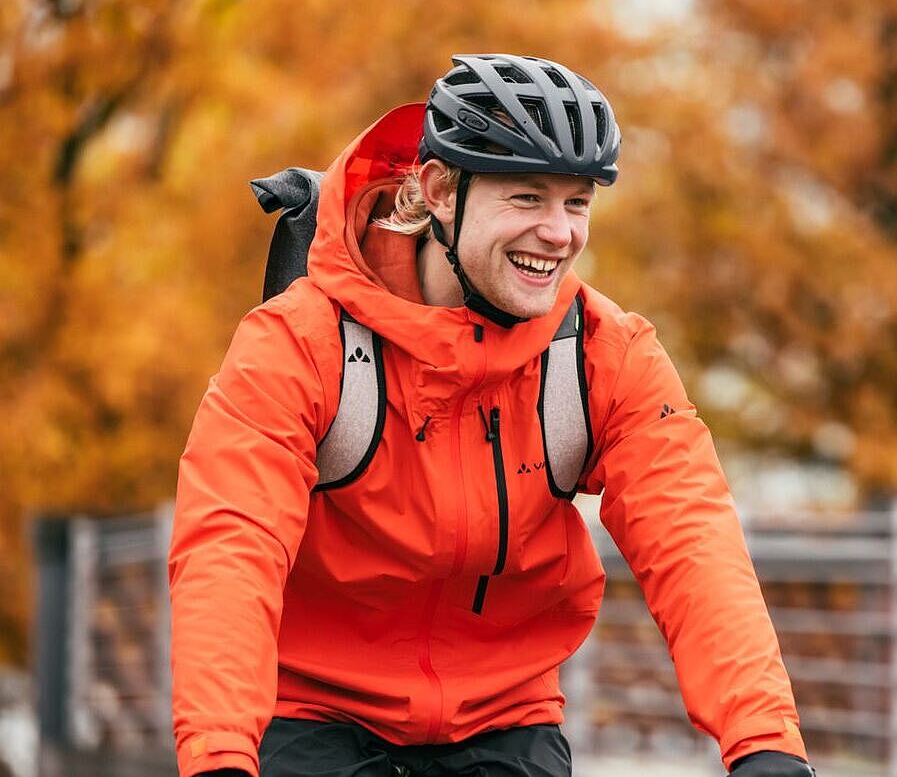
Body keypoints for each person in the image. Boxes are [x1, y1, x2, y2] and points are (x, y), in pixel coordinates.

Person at [169, 54, 813, 777]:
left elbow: (695, 543)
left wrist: (763, 741)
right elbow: (231, 546)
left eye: (577, 203)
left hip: (505, 720)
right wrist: (220, 754)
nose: (559, 232)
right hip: (311, 712)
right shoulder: (301, 342)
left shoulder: (605, 353)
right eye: (527, 198)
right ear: (442, 191)